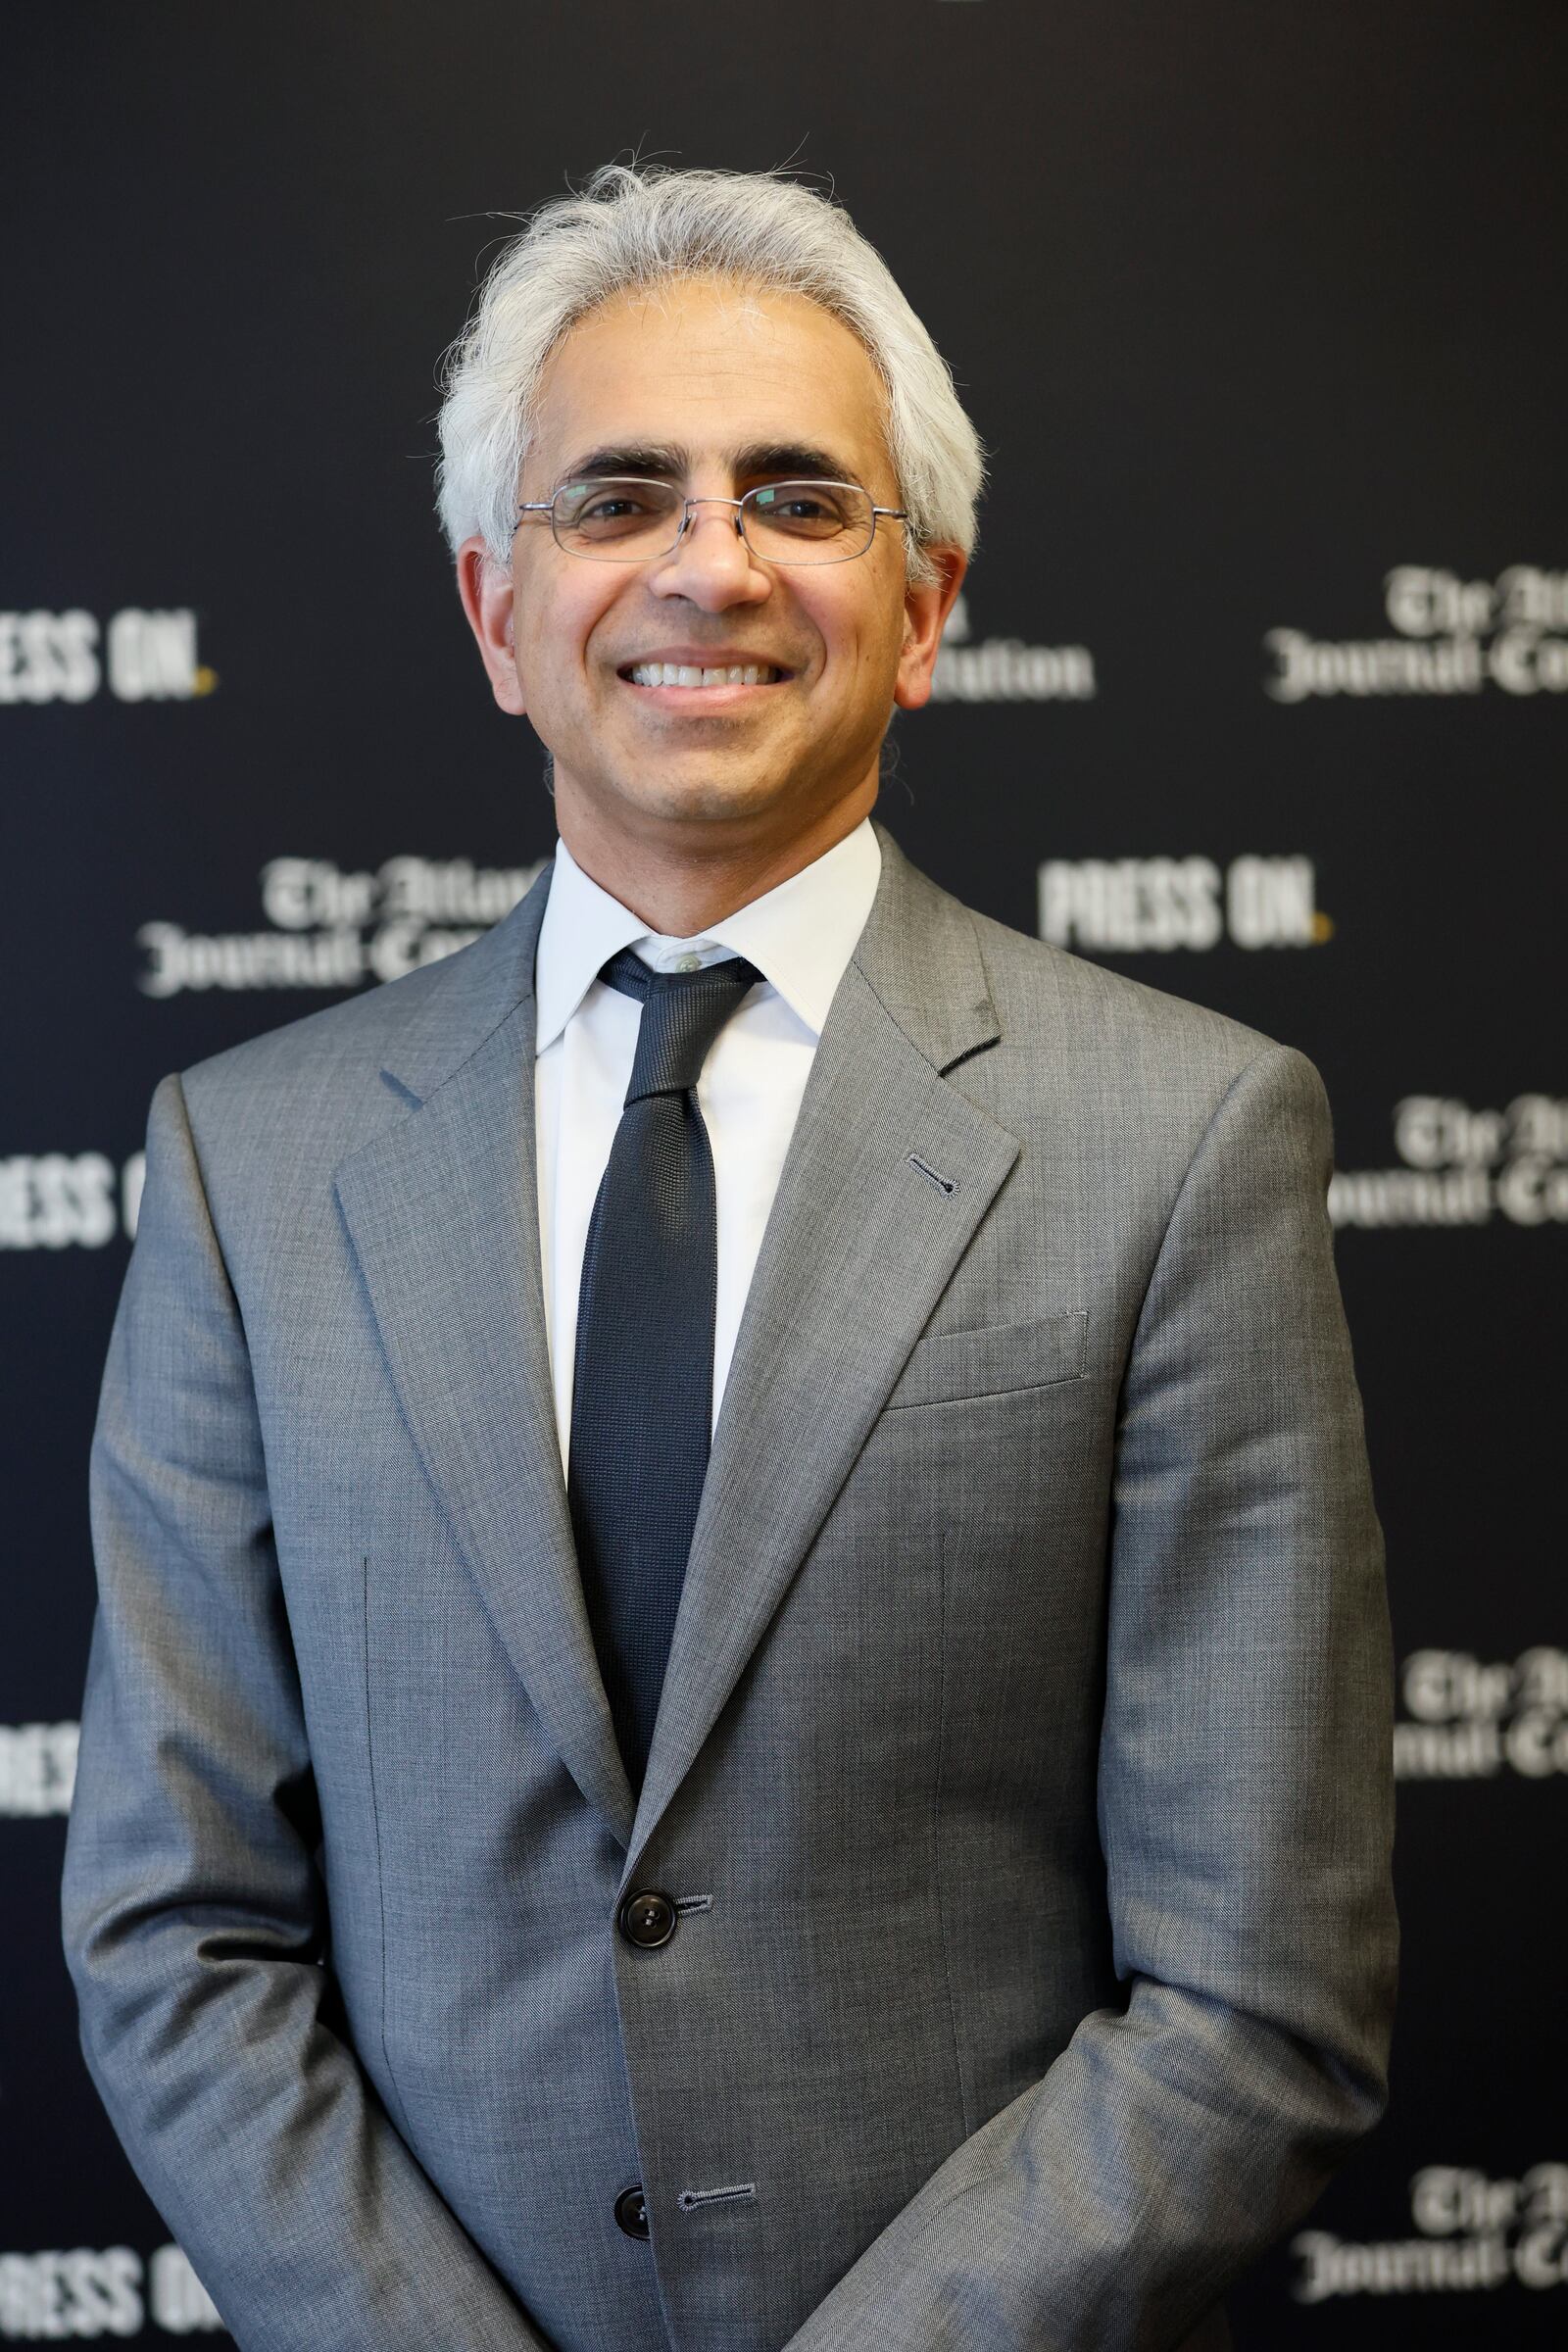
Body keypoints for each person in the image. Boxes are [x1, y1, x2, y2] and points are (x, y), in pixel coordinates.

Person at [62, 163, 1396, 2352]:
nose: (710, 562)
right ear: (496, 611)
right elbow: (172, 1930)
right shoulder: (249, 1165)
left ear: (927, 604)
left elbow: (1258, 1996)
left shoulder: (1181, 1143)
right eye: (619, 498)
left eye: (797, 496)